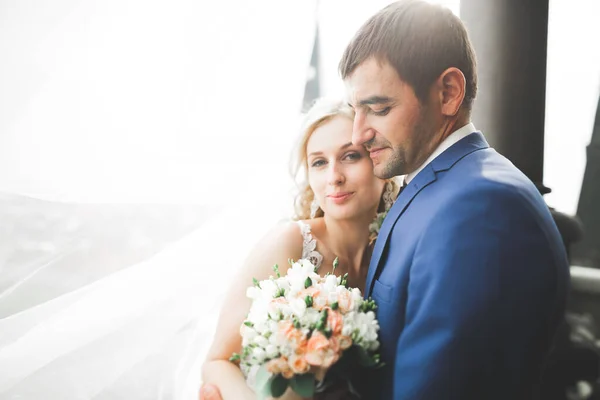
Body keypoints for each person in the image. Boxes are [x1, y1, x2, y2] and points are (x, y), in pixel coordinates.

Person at [338, 0, 570, 399]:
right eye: (354, 110)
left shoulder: (482, 209)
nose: (358, 134)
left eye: (378, 108)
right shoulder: (444, 185)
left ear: (448, 92)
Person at [199, 98, 398, 399]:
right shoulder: (290, 243)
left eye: (351, 156)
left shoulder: (396, 250)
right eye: (319, 162)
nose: (334, 177)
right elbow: (217, 362)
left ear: (380, 164)